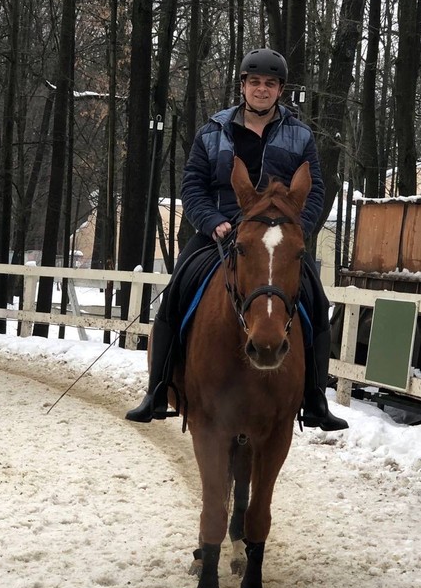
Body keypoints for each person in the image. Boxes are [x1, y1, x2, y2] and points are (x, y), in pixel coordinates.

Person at [126, 47, 348, 432]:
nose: (262, 89)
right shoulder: (213, 132)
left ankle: (315, 399)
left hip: (277, 236)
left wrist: (296, 228)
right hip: (221, 231)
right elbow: (193, 185)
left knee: (317, 301)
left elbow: (314, 191)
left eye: (270, 84)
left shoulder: (300, 136)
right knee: (176, 291)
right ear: (243, 86)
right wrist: (211, 221)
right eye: (255, 82)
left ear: (280, 90)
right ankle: (157, 389)